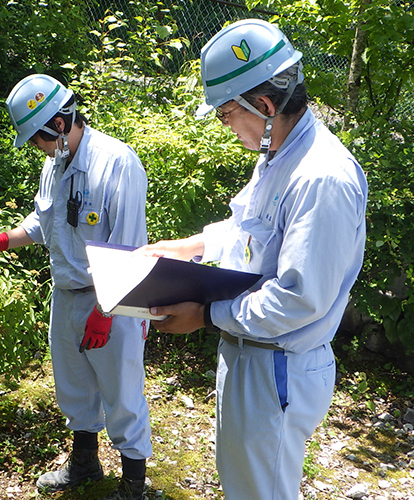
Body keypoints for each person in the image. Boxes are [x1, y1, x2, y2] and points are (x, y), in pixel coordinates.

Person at [137, 19, 368, 500]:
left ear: (263, 106)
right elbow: (249, 231)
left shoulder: (321, 177)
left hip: (277, 364)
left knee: (263, 492)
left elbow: (297, 300)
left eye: (224, 114)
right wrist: (187, 247)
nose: (225, 127)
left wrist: (205, 315)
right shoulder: (280, 155)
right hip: (252, 355)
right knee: (246, 484)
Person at [0, 74, 152, 500]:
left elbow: (131, 247)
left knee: (122, 393)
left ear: (59, 126)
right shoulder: (55, 165)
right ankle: (84, 464)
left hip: (115, 302)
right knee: (73, 387)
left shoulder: (117, 163)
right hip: (66, 296)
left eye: (37, 140)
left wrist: (106, 311)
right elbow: (44, 224)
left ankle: (134, 485)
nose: (36, 149)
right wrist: (3, 240)